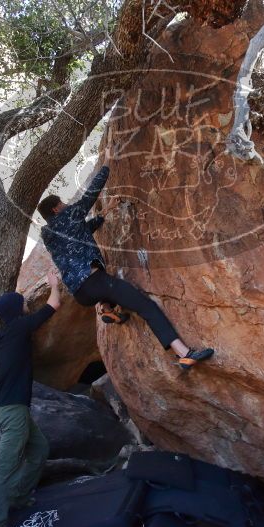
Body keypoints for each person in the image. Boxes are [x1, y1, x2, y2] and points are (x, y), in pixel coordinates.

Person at [37, 147, 213, 370]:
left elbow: (82, 232)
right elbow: (91, 193)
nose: (66, 205)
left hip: (81, 294)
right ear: (56, 209)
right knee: (145, 306)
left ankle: (107, 308)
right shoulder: (68, 215)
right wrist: (109, 160)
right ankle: (184, 354)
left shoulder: (50, 234)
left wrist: (105, 213)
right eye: (62, 203)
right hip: (94, 281)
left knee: (105, 288)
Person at [0, 271, 61, 527]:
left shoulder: (4, 335)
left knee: (39, 449)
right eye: (22, 303)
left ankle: (18, 496)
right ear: (16, 311)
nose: (26, 306)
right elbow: (53, 306)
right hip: (13, 412)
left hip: (12, 408)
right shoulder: (18, 328)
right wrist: (54, 284)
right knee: (4, 472)